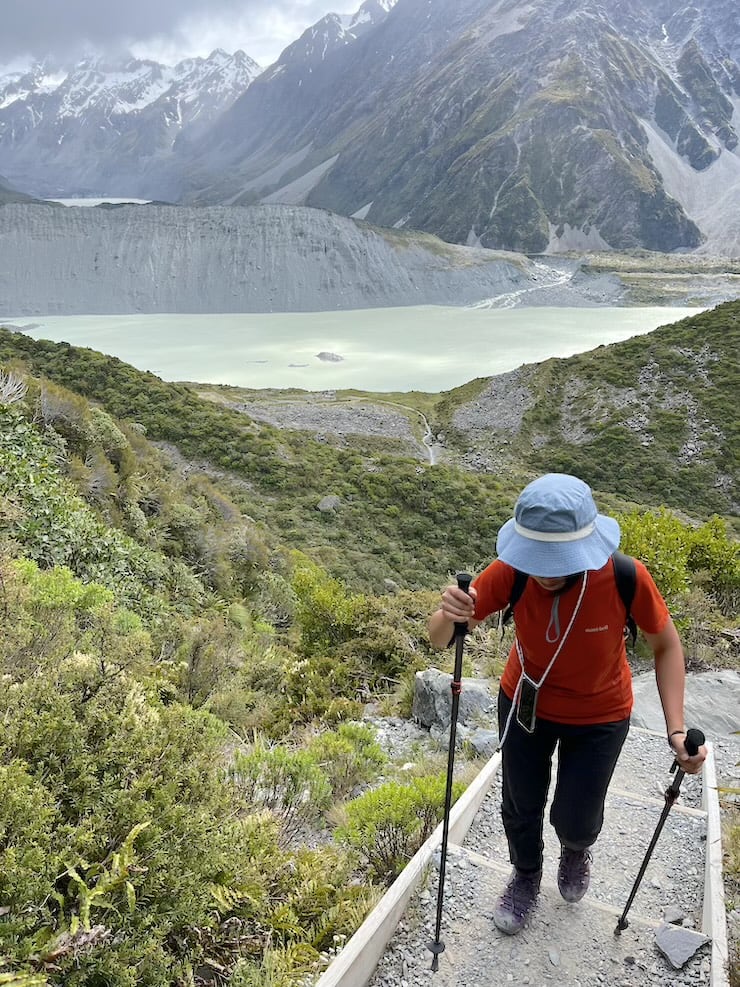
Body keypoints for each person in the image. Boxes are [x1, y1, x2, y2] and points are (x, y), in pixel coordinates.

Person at [428, 472, 706, 935]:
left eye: (557, 558)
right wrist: (447, 613)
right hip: (525, 702)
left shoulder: (623, 576)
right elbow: (441, 639)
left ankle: (576, 849)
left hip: (601, 713)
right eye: (538, 557)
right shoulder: (512, 571)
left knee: (577, 815)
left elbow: (667, 646)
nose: (545, 570)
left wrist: (675, 729)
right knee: (520, 802)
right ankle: (525, 876)